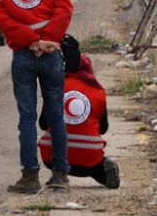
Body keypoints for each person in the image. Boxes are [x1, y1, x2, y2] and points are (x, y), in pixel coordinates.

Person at [0, 0, 73, 193]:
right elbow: (65, 8)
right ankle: (60, 175)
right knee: (57, 115)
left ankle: (30, 176)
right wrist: (48, 39)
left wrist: (33, 42)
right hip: (51, 52)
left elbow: (4, 23)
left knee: (27, 117)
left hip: (24, 55)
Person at [38, 39, 120, 189]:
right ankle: (103, 173)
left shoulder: (54, 86)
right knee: (96, 166)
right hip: (88, 160)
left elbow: (43, 123)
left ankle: (59, 175)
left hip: (51, 158)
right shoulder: (98, 92)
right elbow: (103, 129)